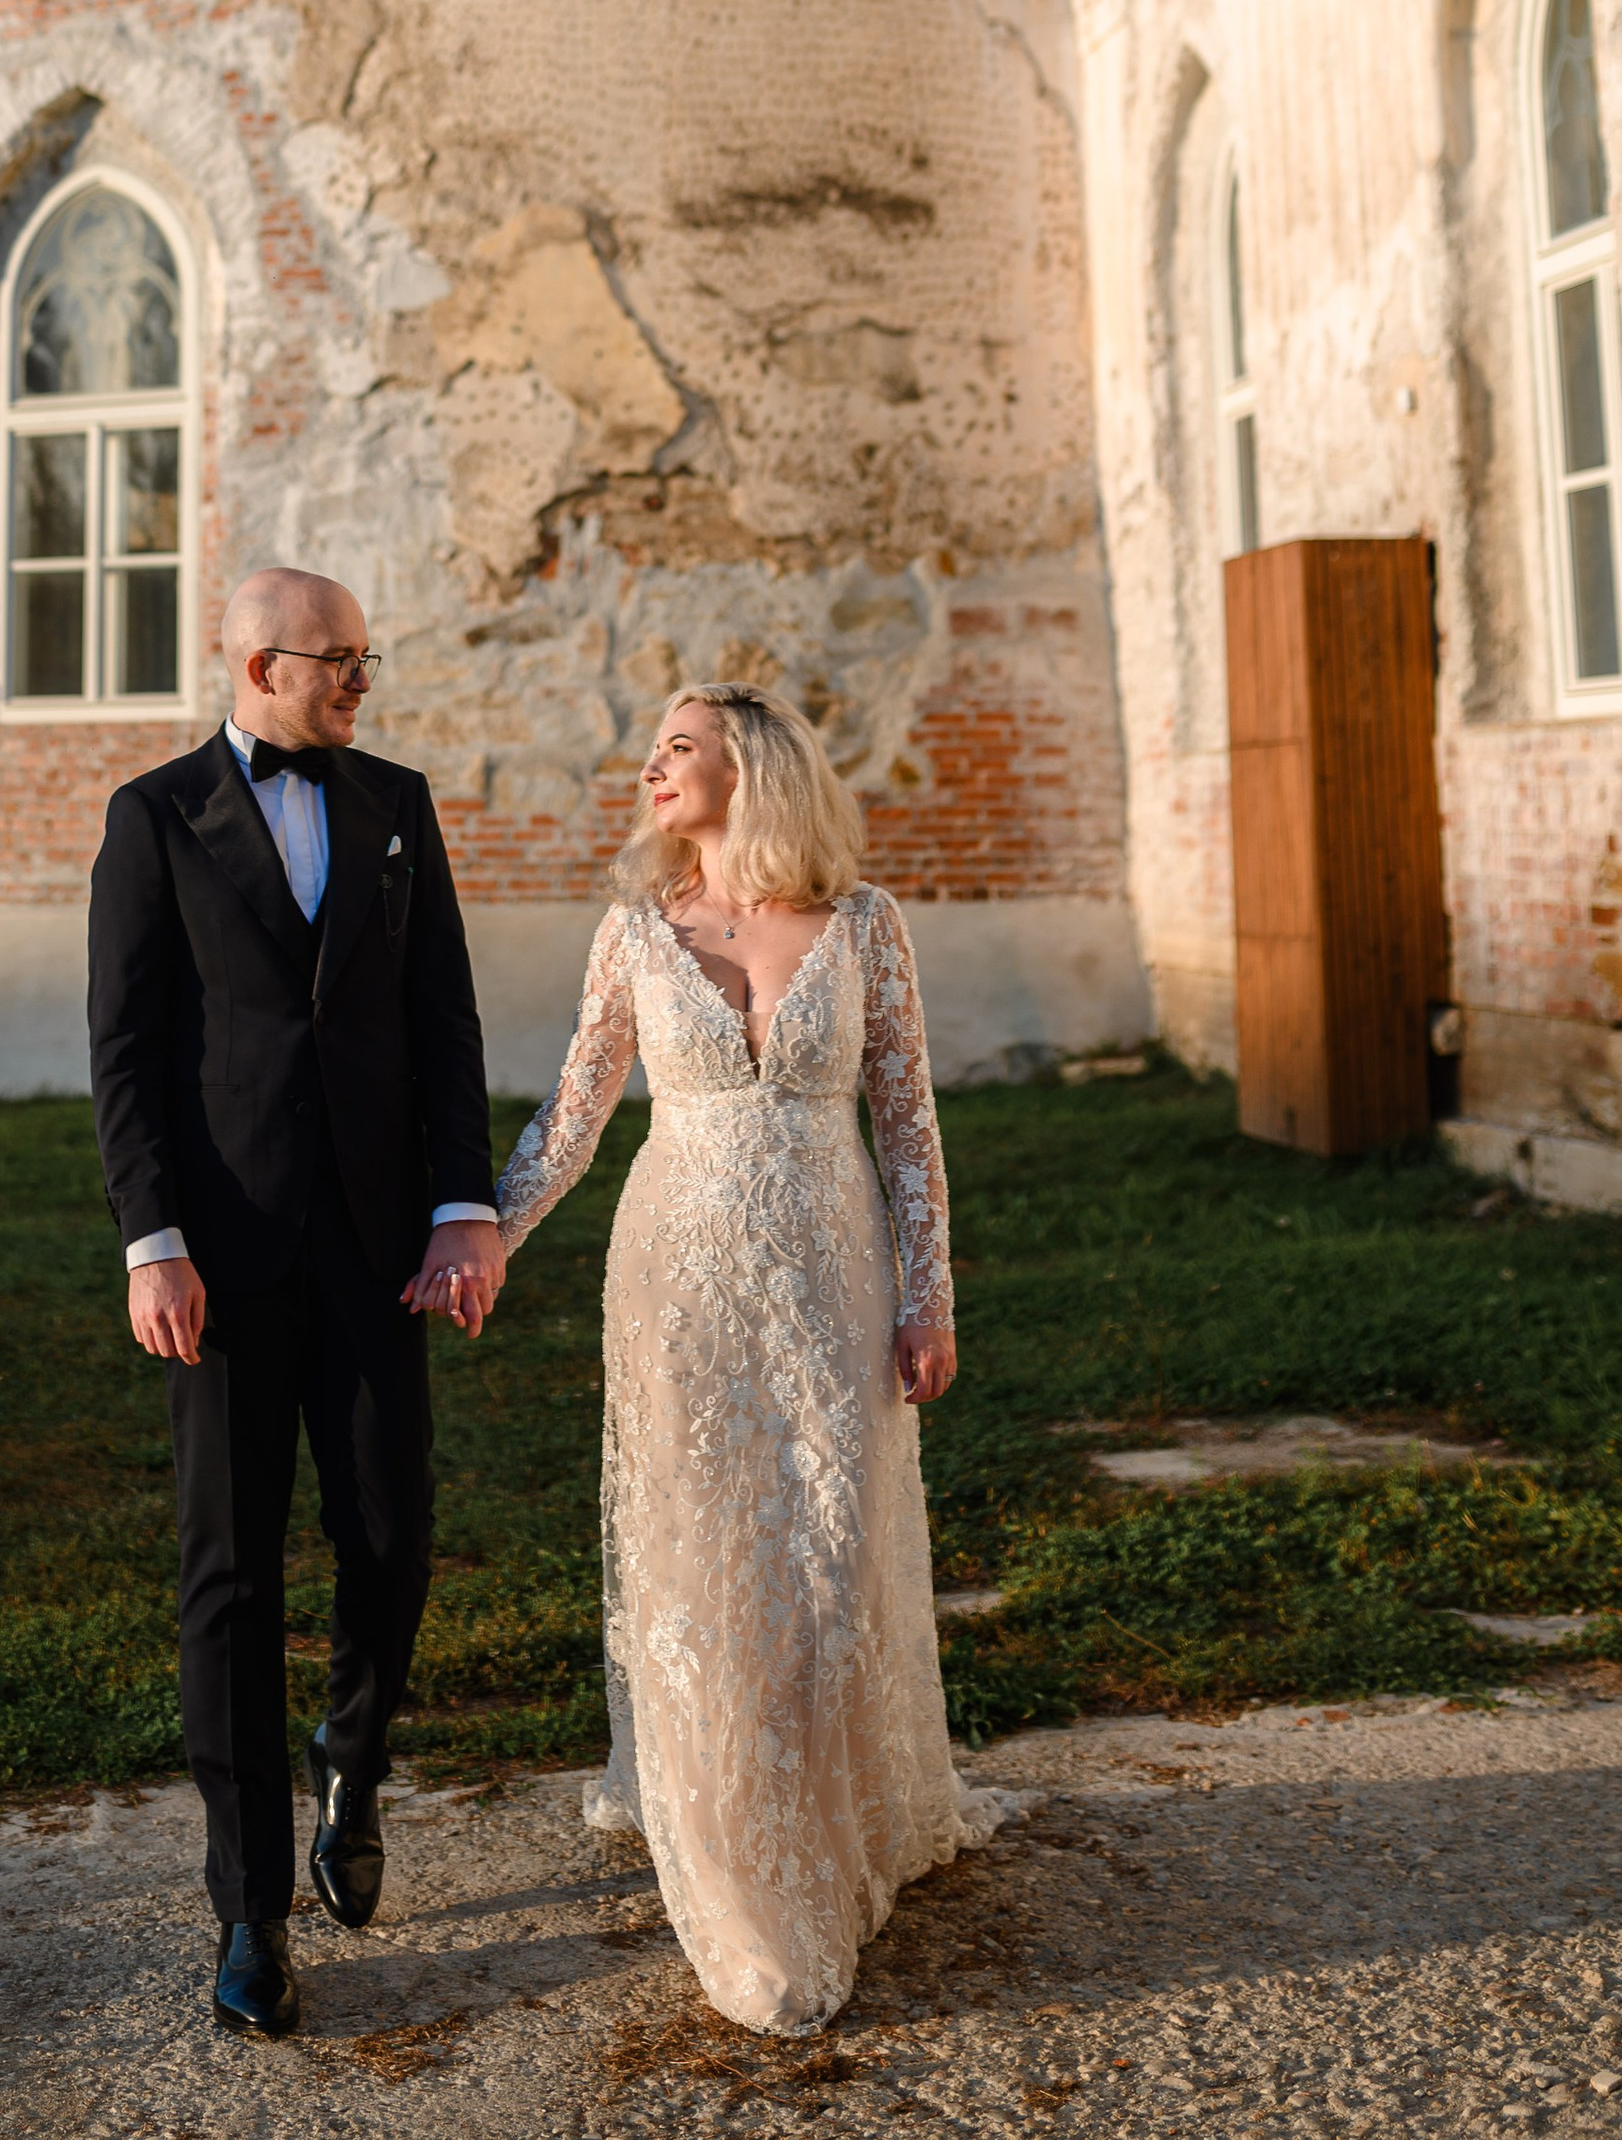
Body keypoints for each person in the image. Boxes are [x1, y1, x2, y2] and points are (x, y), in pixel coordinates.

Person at [495, 679, 988, 2036]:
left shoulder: (866, 926)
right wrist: (485, 1237)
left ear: (751, 767)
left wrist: (929, 1300)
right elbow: (575, 1115)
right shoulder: (633, 933)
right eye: (651, 750)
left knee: (826, 1566)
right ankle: (745, 1890)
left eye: (680, 748)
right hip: (679, 1289)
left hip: (834, 1285)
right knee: (705, 1566)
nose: (652, 767)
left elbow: (910, 1130)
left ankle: (832, 1823)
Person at [87, 566, 503, 2042]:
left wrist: (467, 1208)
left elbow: (443, 1017)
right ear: (264, 665)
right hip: (224, 1256)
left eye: (367, 664)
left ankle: (355, 1750)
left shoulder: (398, 805)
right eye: (343, 665)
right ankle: (250, 1910)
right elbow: (126, 1051)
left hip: (383, 1246)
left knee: (391, 1535)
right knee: (231, 1573)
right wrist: (154, 1241)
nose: (361, 686)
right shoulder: (153, 819)